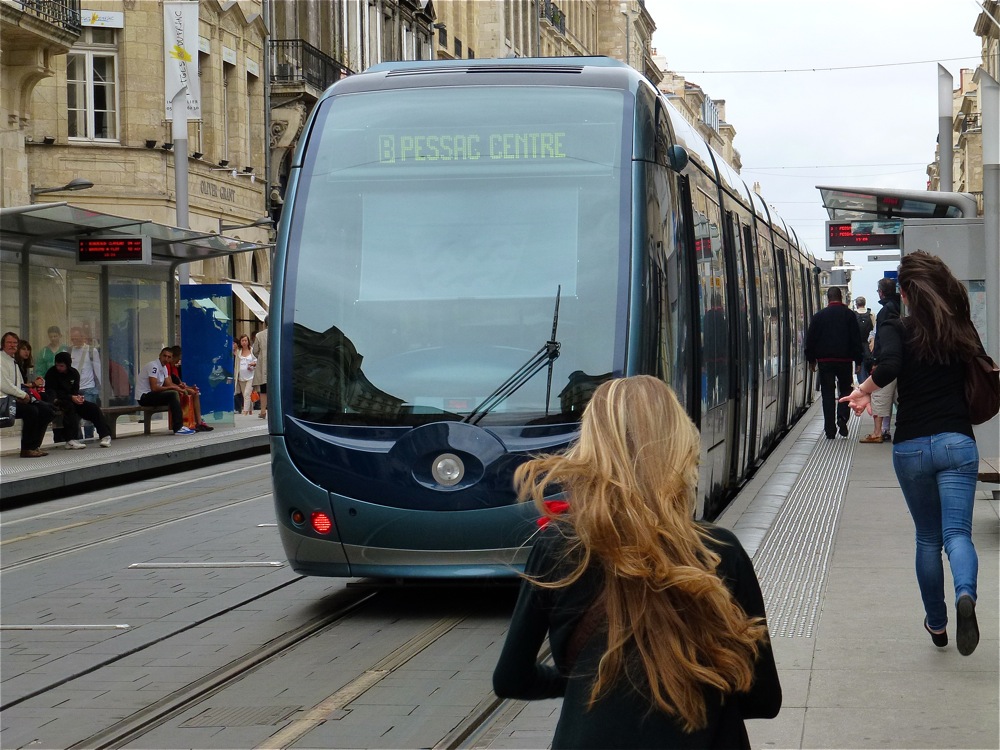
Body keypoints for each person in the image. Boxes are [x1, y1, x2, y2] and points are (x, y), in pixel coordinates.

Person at [493, 376, 781, 748]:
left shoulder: (559, 549)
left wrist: (587, 684)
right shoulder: (718, 550)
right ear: (680, 446)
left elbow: (510, 679)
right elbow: (764, 699)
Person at [842, 251, 981, 656]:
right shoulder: (960, 327)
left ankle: (937, 625)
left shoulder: (895, 328)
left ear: (904, 293)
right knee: (958, 534)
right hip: (958, 441)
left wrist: (862, 392)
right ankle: (965, 595)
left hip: (913, 446)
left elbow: (888, 366)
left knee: (927, 538)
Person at [804, 286, 865, 439]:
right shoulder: (849, 315)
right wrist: (858, 360)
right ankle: (842, 418)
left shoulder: (819, 316)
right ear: (841, 298)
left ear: (828, 298)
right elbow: (856, 340)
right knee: (845, 392)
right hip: (844, 361)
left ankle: (830, 429)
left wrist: (811, 359)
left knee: (827, 394)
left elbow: (810, 340)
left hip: (825, 362)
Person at [1, 331, 54, 457]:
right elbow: (4, 384)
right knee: (31, 411)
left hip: (13, 399)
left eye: (15, 343)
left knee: (47, 411)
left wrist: (24, 395)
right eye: (9, 342)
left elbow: (19, 384)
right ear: (3, 344)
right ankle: (27, 448)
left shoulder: (12, 361)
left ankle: (34, 446)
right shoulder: (1, 359)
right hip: (3, 401)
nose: (12, 345)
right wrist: (23, 395)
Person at [44, 352, 113, 448]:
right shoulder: (51, 373)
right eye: (57, 365)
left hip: (72, 398)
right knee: (69, 407)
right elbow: (51, 391)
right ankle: (70, 439)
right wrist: (70, 397)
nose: (59, 368)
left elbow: (75, 390)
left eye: (61, 366)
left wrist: (77, 398)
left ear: (67, 365)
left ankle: (105, 435)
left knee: (93, 408)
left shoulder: (74, 373)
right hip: (58, 400)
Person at [136, 348, 196, 435]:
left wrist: (180, 387)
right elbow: (154, 388)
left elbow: (168, 384)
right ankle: (178, 427)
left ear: (171, 359)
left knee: (176, 393)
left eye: (169, 357)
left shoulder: (164, 368)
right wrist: (174, 388)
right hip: (144, 397)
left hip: (152, 395)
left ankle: (186, 424)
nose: (166, 359)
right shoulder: (153, 366)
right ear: (160, 356)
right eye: (164, 356)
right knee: (173, 394)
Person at [167, 345, 213, 431]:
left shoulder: (174, 368)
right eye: (178, 358)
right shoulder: (168, 367)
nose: (179, 361)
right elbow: (169, 383)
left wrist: (189, 387)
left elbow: (180, 382)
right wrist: (184, 388)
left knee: (195, 391)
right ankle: (196, 422)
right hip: (173, 389)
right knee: (193, 392)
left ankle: (198, 421)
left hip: (177, 387)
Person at [69, 325, 102, 439]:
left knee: (88, 416)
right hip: (74, 388)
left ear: (83, 337)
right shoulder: (68, 351)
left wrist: (102, 387)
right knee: (75, 416)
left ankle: (89, 437)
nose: (75, 341)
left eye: (77, 338)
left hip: (89, 387)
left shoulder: (91, 351)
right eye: (73, 338)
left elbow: (98, 369)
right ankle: (78, 437)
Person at [854, 296, 875, 382]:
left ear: (856, 304)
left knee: (859, 365)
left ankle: (862, 383)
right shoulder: (871, 314)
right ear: (865, 303)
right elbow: (874, 330)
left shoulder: (853, 314)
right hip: (868, 344)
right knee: (868, 364)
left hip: (856, 345)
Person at [234, 334, 257, 415]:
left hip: (251, 376)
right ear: (240, 342)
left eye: (245, 340)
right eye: (242, 341)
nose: (244, 342)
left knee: (247, 393)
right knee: (245, 395)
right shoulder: (238, 352)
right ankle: (250, 410)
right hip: (241, 377)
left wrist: (253, 363)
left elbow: (256, 360)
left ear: (248, 341)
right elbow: (236, 363)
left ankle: (245, 412)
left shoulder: (252, 350)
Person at [251, 316, 268, 419]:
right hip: (276, 362)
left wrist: (260, 357)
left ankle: (263, 411)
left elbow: (255, 350)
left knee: (264, 389)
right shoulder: (279, 333)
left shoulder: (259, 335)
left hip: (263, 364)